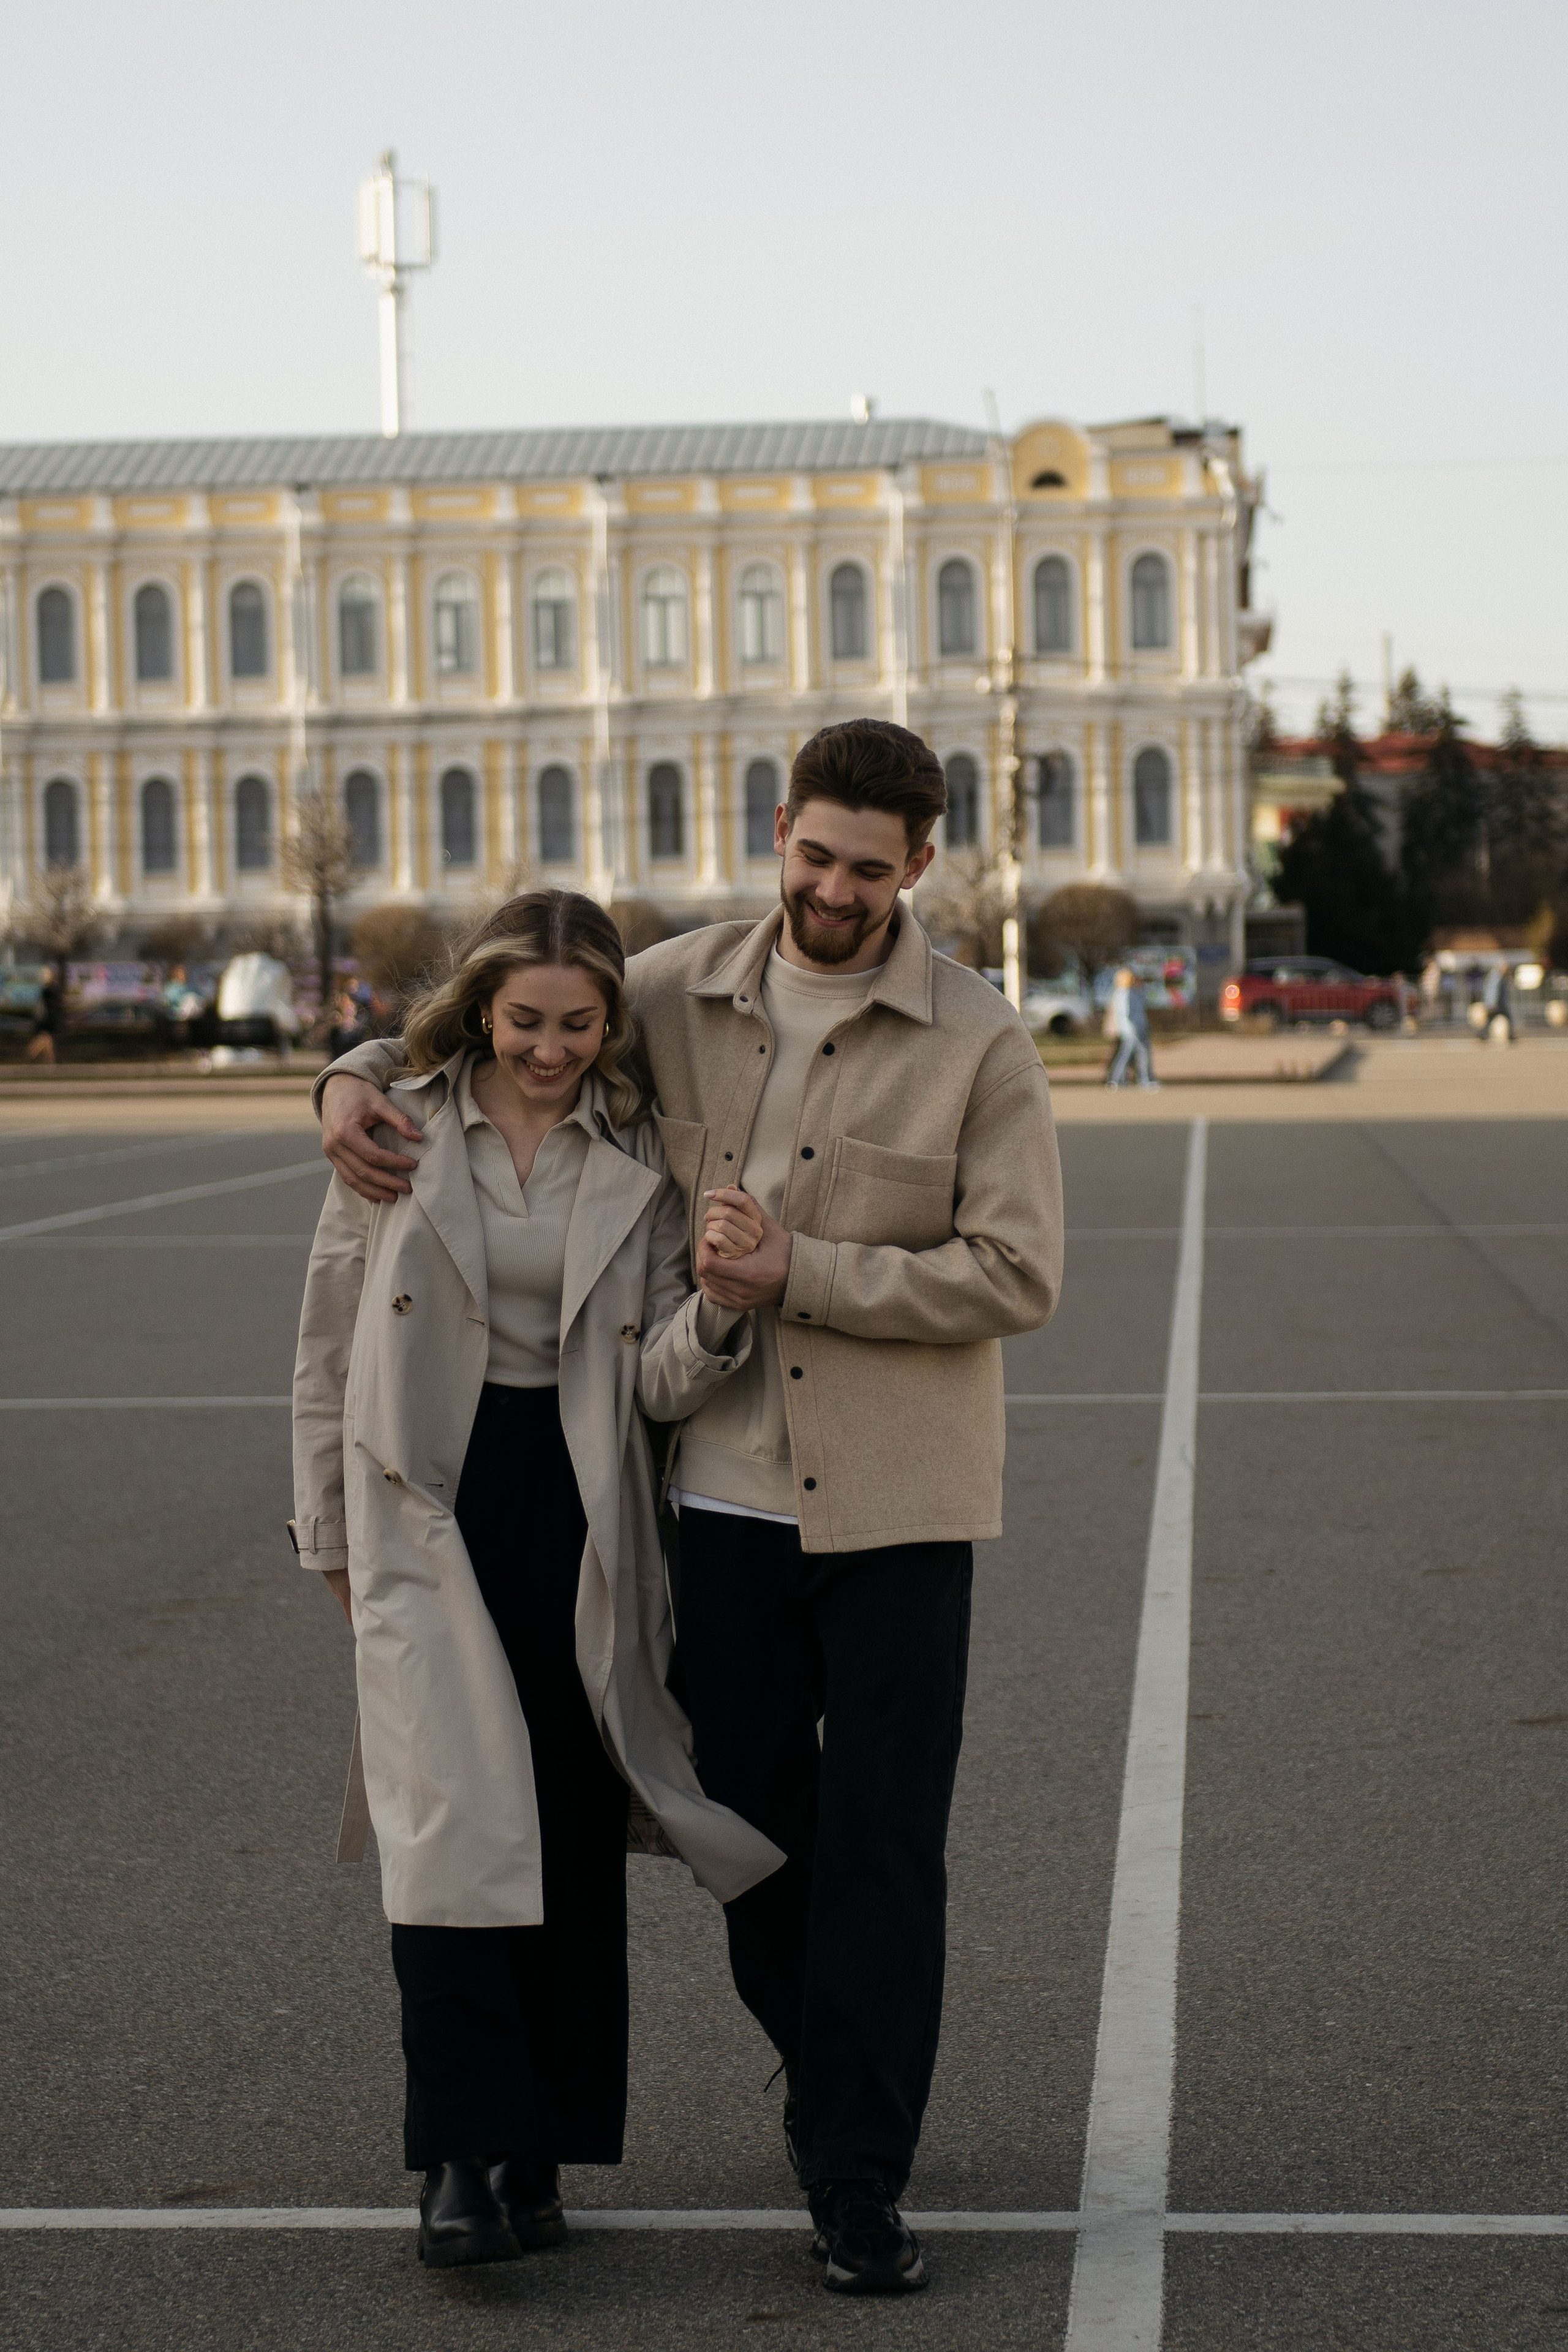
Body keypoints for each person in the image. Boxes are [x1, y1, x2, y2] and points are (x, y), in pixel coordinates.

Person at [314, 718, 1065, 2296]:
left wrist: (805, 1273)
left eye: (869, 867)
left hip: (899, 1506)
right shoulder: (672, 988)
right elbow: (494, 1025)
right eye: (813, 854)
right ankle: (834, 2070)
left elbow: (1016, 1272)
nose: (834, 889)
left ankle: (853, 2167)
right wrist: (344, 1078)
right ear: (778, 829)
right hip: (714, 1502)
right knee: (744, 1838)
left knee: (879, 1846)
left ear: (919, 864)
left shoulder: (979, 1039)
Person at [291, 888, 782, 2273]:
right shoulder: (391, 1123)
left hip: (578, 1505)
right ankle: (455, 2156)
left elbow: (656, 1377)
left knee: (564, 1825)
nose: (550, 1047)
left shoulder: (638, 1151)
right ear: (478, 1007)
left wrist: (727, 1306)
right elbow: (328, 1334)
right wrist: (324, 1533)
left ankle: (539, 2148)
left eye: (577, 1023)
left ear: (610, 1021)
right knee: (448, 1826)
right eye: (525, 1019)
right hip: (424, 1499)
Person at [1104, 964, 1157, 1088]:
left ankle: (1117, 1080)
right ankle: (1144, 1080)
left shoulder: (1130, 992)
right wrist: (1134, 1029)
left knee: (1126, 1055)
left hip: (1134, 1029)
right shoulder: (1124, 993)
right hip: (1131, 1030)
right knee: (1140, 1054)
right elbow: (1127, 1014)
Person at [24, 962, 64, 1064]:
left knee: (47, 1041)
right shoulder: (51, 990)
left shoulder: (47, 990)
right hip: (49, 1019)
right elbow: (55, 1004)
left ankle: (49, 1064)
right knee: (46, 1039)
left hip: (47, 1018)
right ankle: (32, 1053)